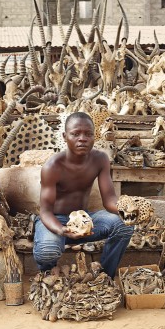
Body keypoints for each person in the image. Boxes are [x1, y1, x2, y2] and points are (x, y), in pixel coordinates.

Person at [33, 111, 133, 278]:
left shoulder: (100, 159)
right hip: (55, 221)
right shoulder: (53, 166)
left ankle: (104, 275)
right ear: (65, 136)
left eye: (88, 134)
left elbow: (109, 200)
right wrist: (63, 230)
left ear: (95, 137)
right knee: (48, 251)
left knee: (124, 224)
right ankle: (48, 274)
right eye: (75, 134)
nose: (82, 138)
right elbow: (45, 212)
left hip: (84, 221)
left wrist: (127, 210)